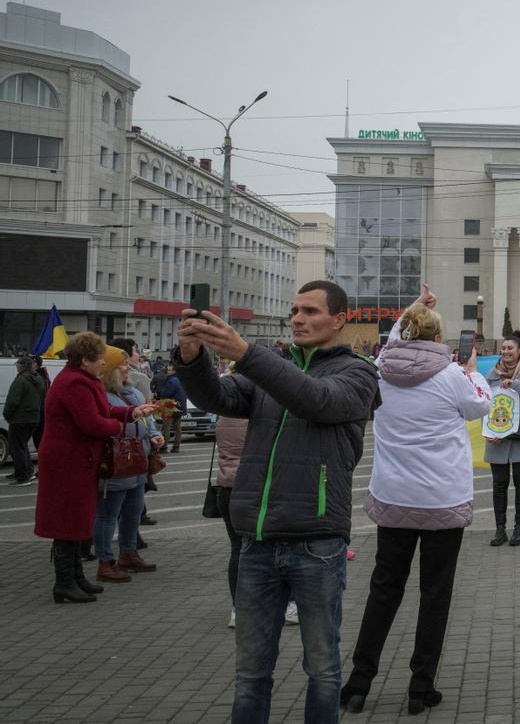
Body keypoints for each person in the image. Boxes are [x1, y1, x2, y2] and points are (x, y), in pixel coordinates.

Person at [174, 280, 380, 724]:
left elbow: (316, 400)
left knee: (322, 669)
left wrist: (247, 353)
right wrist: (192, 357)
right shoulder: (272, 368)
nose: (298, 319)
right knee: (250, 672)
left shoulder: (358, 372)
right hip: (257, 542)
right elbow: (219, 398)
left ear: (340, 320)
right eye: (294, 311)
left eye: (310, 311)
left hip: (317, 542)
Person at [341, 302, 491, 716]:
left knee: (384, 589)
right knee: (435, 593)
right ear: (440, 339)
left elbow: (393, 342)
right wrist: (473, 368)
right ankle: (420, 687)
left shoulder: (379, 370)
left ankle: (359, 681)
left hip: (394, 497)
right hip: (441, 498)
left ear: (403, 333)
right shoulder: (452, 376)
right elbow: (482, 405)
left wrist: (412, 310)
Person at [34, 333, 155, 604]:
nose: (103, 362)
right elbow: (92, 423)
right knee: (68, 519)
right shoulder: (74, 384)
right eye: (99, 358)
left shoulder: (83, 380)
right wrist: (123, 428)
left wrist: (131, 412)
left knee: (78, 518)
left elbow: (103, 412)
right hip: (67, 461)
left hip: (77, 459)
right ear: (85, 359)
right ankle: (64, 582)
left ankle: (76, 577)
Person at [94, 352, 162, 582]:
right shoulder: (103, 396)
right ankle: (105, 561)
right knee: (107, 515)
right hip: (115, 462)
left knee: (133, 511)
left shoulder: (132, 392)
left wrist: (154, 434)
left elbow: (147, 419)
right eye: (122, 365)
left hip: (137, 461)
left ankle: (128, 552)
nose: (127, 368)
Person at [484, 335, 520, 548]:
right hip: (497, 437)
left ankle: (519, 529)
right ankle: (500, 529)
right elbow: (484, 403)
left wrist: (517, 385)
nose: (506, 351)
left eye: (510, 348)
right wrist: (488, 429)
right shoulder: (492, 374)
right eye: (503, 348)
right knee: (499, 485)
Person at [215, 361, 250, 629]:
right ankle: (286, 604)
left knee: (237, 550)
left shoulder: (224, 412)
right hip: (251, 488)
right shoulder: (250, 411)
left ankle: (238, 608)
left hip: (226, 487)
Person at [4, 356, 46, 486]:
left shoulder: (21, 380)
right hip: (34, 418)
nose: (16, 366)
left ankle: (23, 476)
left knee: (17, 446)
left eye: (18, 364)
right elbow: (42, 397)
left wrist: (7, 414)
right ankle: (27, 471)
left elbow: (12, 401)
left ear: (22, 366)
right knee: (22, 445)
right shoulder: (39, 379)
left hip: (19, 418)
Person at [155, 364, 188, 453]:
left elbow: (165, 393)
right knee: (177, 427)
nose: (167, 372)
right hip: (180, 406)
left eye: (169, 370)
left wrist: (160, 393)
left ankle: (164, 447)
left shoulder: (171, 381)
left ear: (174, 371)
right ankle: (176, 447)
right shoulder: (181, 380)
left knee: (166, 427)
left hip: (171, 406)